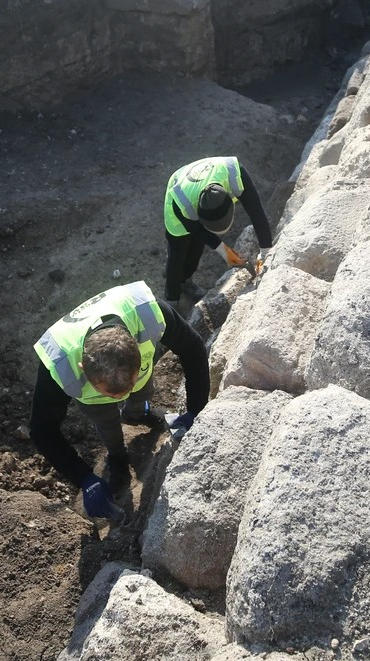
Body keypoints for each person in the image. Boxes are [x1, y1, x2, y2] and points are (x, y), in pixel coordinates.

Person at [29, 280, 208, 519]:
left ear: (136, 346)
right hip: (96, 400)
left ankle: (137, 413)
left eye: (126, 387)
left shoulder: (148, 315)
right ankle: (117, 455)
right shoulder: (61, 362)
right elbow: (42, 430)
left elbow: (193, 348)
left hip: (137, 375)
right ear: (83, 368)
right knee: (106, 422)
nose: (119, 397)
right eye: (110, 394)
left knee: (143, 391)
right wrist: (85, 479)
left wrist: (196, 410)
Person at [163, 156, 273, 307]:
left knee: (196, 249)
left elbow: (257, 213)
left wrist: (265, 252)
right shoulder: (183, 202)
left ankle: (186, 281)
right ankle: (172, 299)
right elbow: (197, 230)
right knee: (178, 254)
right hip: (178, 191)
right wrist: (224, 251)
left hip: (194, 187)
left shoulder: (236, 175)